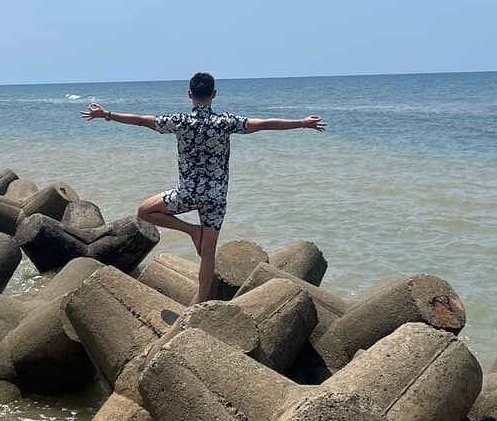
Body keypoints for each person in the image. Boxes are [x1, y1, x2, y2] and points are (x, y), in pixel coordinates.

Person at [81, 72, 326, 301]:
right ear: (214, 94)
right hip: (216, 197)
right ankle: (200, 302)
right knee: (208, 254)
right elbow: (265, 124)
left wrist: (107, 114)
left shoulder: (180, 122)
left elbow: (141, 121)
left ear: (189, 94)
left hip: (188, 193)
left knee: (144, 211)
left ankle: (191, 230)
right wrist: (302, 123)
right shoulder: (225, 122)